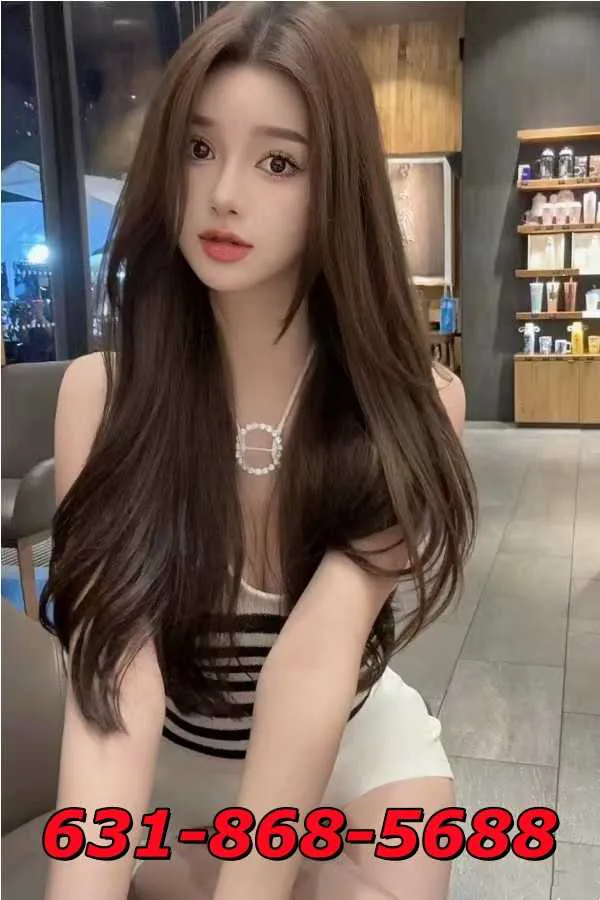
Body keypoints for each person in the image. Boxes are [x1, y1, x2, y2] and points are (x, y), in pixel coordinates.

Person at [40, 3, 476, 899]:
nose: (224, 193)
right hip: (167, 757)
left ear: (338, 189)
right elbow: (117, 672)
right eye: (199, 149)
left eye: (279, 162)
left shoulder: (413, 408)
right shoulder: (102, 396)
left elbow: (315, 662)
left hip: (345, 751)